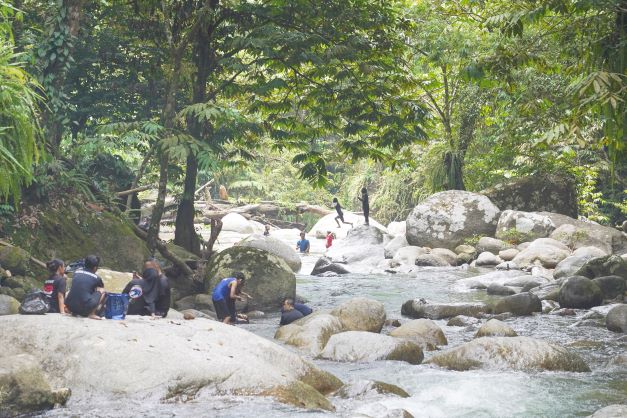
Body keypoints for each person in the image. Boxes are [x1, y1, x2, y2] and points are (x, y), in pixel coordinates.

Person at [65, 255, 106, 320]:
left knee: (73, 289)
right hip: (84, 309)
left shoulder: (76, 272)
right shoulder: (97, 278)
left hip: (70, 306)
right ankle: (92, 314)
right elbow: (100, 288)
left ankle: (68, 309)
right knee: (102, 291)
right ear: (95, 268)